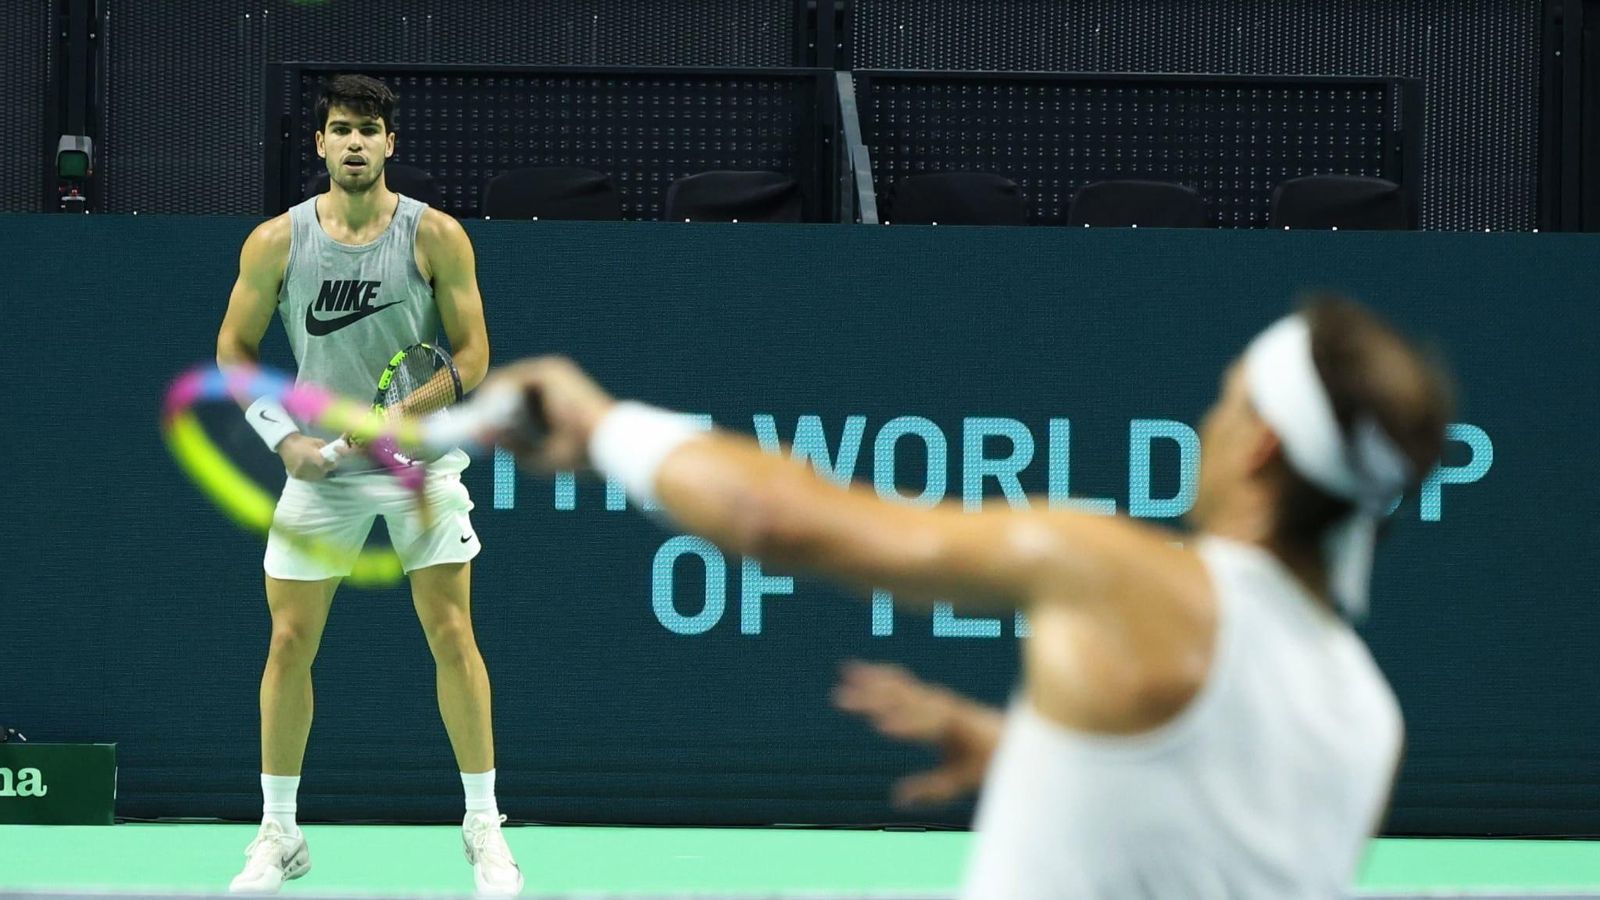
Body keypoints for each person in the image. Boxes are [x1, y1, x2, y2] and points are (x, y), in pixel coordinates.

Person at [486, 296, 1451, 898]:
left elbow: (781, 517)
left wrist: (603, 426)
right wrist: (1032, 757)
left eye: (1229, 399)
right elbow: (1202, 829)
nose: (1208, 418)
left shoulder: (1135, 580)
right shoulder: (1370, 715)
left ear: (1263, 448)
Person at [215, 74, 521, 897]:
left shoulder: (437, 237)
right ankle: (279, 833)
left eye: (369, 130)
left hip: (417, 465)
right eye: (340, 129)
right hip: (324, 470)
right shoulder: (276, 242)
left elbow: (473, 356)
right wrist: (284, 441)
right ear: (318, 145)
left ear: (390, 143)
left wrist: (401, 417)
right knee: (288, 642)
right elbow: (234, 355)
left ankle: (485, 830)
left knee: (452, 632)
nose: (354, 142)